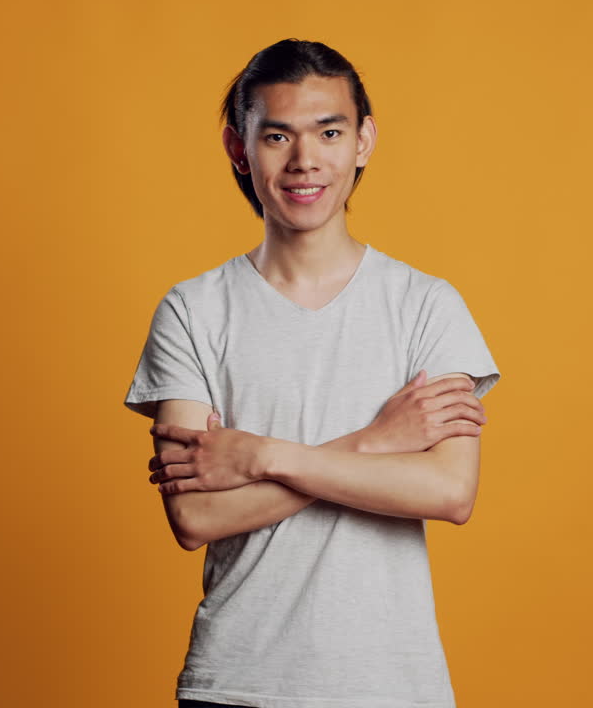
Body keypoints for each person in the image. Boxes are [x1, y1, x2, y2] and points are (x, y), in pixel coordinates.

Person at [124, 39, 501, 708]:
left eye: (329, 131)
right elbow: (196, 515)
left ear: (363, 140)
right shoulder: (193, 311)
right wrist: (373, 443)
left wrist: (261, 455)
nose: (305, 161)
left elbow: (448, 492)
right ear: (239, 149)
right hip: (237, 683)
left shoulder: (426, 306)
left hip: (393, 686)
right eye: (277, 136)